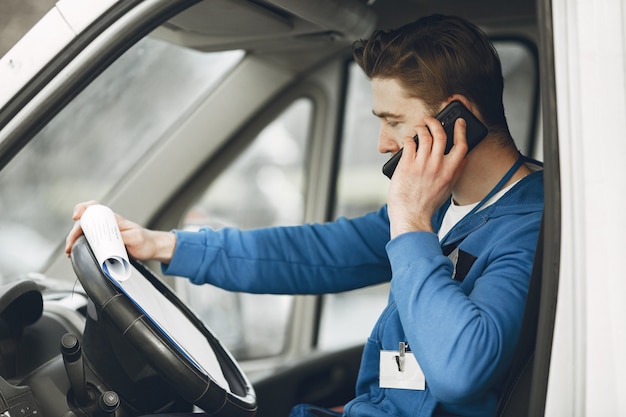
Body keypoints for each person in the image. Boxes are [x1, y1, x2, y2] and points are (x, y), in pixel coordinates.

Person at [65, 14, 543, 417]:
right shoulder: (440, 207)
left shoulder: (530, 228)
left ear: (457, 121)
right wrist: (165, 245)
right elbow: (318, 253)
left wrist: (411, 222)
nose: (382, 144)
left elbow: (461, 371)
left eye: (394, 121)